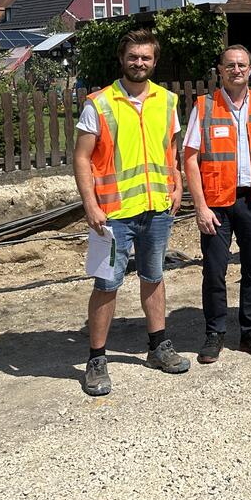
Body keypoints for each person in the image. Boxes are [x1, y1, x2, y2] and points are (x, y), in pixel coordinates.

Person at [73, 29, 188, 396]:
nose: (140, 63)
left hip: (155, 208)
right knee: (107, 284)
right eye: (134, 57)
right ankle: (96, 359)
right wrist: (90, 204)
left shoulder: (167, 101)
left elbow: (171, 150)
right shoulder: (101, 103)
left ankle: (158, 346)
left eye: (146, 58)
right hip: (113, 214)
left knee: (153, 277)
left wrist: (178, 182)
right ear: (122, 59)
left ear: (154, 61)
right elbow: (81, 157)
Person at [183, 44, 251, 364]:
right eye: (230, 65)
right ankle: (215, 332)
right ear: (220, 70)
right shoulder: (204, 107)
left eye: (242, 65)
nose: (237, 70)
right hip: (216, 205)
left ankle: (250, 331)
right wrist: (200, 207)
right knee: (214, 271)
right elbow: (190, 159)